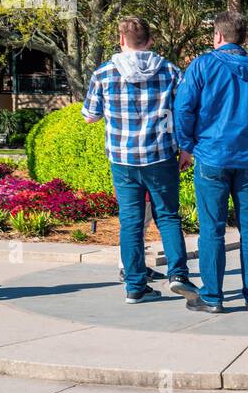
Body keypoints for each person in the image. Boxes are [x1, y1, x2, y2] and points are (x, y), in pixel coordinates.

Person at [174, 10, 248, 314]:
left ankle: (213, 296)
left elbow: (184, 109)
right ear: (243, 38)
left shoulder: (202, 66)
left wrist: (187, 145)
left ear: (218, 37)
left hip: (211, 156)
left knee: (212, 229)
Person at [82, 16, 198, 305]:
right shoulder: (171, 71)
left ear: (121, 41)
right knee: (168, 216)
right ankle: (178, 275)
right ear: (150, 41)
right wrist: (186, 149)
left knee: (130, 222)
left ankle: (135, 285)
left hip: (123, 159)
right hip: (160, 155)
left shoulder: (104, 73)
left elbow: (90, 116)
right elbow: (185, 112)